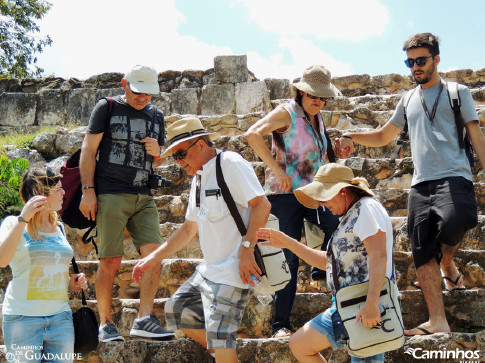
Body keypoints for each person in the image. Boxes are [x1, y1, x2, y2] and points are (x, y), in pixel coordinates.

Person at [341, 33, 485, 336]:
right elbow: (383, 136)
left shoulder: (458, 92)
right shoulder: (407, 99)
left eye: (420, 60)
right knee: (421, 248)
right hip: (421, 184)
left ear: (436, 59)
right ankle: (438, 320)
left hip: (455, 176)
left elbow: (475, 136)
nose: (415, 67)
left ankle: (447, 263)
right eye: (410, 62)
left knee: (459, 220)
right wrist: (352, 136)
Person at [132, 117, 271, 363]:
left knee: (221, 338)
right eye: (175, 157)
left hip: (232, 273)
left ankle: (225, 356)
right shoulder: (198, 178)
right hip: (209, 271)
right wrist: (152, 259)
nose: (180, 162)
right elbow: (187, 230)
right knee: (177, 310)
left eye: (182, 153)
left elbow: (262, 204)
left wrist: (247, 249)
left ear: (200, 144)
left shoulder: (229, 163)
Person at [244, 65, 352, 338]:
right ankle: (280, 324)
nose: (318, 100)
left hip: (314, 194)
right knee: (287, 259)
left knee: (339, 228)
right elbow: (252, 134)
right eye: (313, 95)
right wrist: (277, 170)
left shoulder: (318, 119)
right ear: (301, 92)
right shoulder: (287, 112)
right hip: (284, 195)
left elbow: (319, 157)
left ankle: (319, 268)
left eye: (323, 97)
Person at [257, 163, 395, 363]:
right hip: (346, 306)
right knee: (300, 344)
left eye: (325, 196)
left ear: (343, 191)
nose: (322, 204)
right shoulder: (351, 215)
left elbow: (379, 255)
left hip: (365, 306)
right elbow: (330, 263)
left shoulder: (366, 208)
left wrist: (372, 304)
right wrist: (288, 242)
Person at [79, 64, 175, 342]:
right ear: (124, 85)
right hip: (110, 192)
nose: (143, 98)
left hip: (144, 195)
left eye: (148, 93)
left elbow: (158, 156)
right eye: (137, 92)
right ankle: (106, 324)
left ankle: (144, 319)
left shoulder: (157, 115)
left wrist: (159, 153)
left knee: (154, 255)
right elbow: (88, 150)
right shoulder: (106, 107)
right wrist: (88, 190)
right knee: (109, 259)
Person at [0, 167, 87, 363]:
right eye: (58, 189)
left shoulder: (59, 227)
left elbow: (51, 273)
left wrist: (70, 283)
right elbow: (2, 260)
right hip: (23, 320)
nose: (64, 192)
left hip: (60, 319)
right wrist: (23, 219)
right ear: (41, 194)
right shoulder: (13, 223)